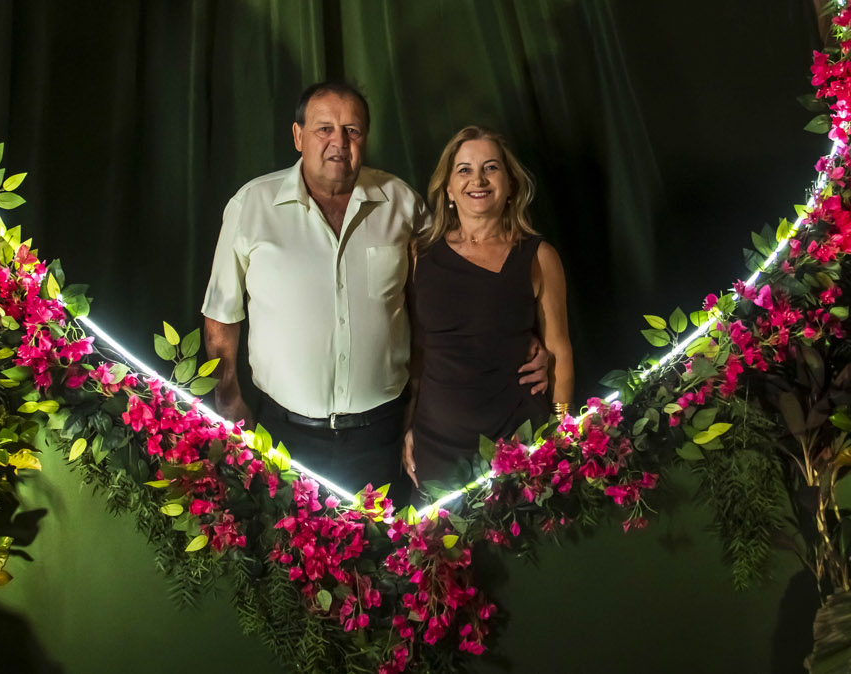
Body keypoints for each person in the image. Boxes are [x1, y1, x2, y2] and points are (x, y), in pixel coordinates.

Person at [201, 83, 550, 492]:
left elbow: (455, 291)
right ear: (298, 136)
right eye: (324, 129)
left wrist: (516, 344)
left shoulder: (402, 203)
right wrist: (229, 403)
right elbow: (221, 317)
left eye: (352, 130)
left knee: (384, 534)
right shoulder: (251, 206)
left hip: (383, 435)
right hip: (282, 433)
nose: (339, 142)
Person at [403, 126, 574, 495]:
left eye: (491, 168)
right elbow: (418, 349)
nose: (477, 180)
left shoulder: (540, 257)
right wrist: (408, 425)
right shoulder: (420, 255)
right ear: (448, 188)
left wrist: (562, 432)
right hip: (438, 445)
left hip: (519, 439)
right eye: (464, 169)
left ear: (510, 184)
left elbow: (559, 349)